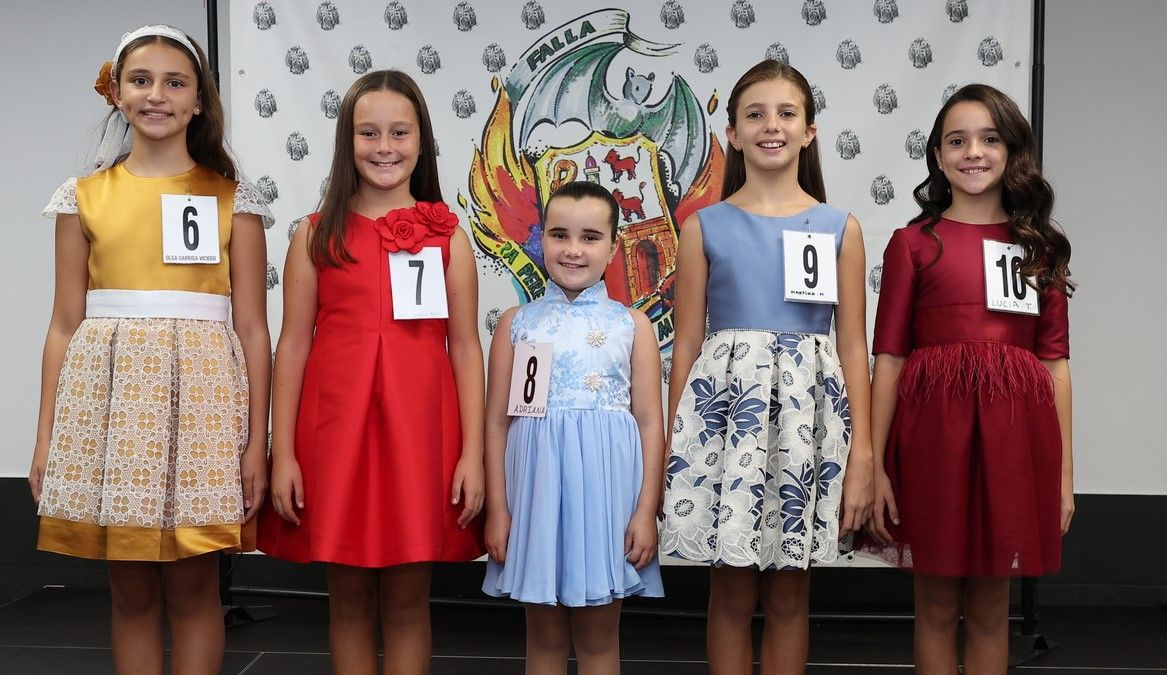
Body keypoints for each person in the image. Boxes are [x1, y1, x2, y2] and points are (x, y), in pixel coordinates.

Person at [31, 24, 272, 675]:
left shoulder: (232, 199)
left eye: (175, 82)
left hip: (201, 409)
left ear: (199, 100)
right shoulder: (83, 197)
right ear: (117, 93)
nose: (156, 95)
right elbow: (63, 323)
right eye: (141, 80)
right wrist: (47, 438)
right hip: (113, 412)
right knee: (131, 590)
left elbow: (252, 328)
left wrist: (255, 441)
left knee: (195, 589)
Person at [258, 69, 486, 675]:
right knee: (349, 598)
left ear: (422, 140)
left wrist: (473, 454)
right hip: (337, 435)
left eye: (399, 132)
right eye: (368, 133)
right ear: (346, 141)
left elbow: (465, 347)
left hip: (419, 436)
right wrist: (284, 453)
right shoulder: (315, 235)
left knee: (410, 598)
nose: (384, 147)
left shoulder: (448, 237)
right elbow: (293, 347)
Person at [659, 60, 874, 674]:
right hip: (727, 426)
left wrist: (860, 455)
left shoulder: (841, 229)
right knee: (730, 589)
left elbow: (854, 347)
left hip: (807, 427)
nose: (770, 126)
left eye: (786, 114)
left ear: (810, 131)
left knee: (790, 590)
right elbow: (688, 346)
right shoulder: (703, 227)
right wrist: (677, 448)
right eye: (755, 114)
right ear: (732, 132)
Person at [862, 83, 1075, 674]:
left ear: (1012, 152)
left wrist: (1063, 476)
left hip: (1012, 444)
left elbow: (1055, 364)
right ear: (937, 155)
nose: (973, 152)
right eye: (957, 140)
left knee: (989, 607)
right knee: (933, 605)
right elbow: (891, 359)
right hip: (933, 441)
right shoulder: (912, 243)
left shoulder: (1040, 248)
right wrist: (877, 463)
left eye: (989, 139)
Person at [482, 181, 665, 674]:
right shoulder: (517, 324)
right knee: (541, 634)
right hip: (535, 496)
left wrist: (646, 511)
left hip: (604, 499)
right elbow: (497, 423)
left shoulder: (633, 326)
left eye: (589, 237)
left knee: (600, 635)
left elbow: (650, 424)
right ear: (541, 240)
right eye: (559, 235)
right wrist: (498, 509)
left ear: (612, 245)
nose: (573, 249)